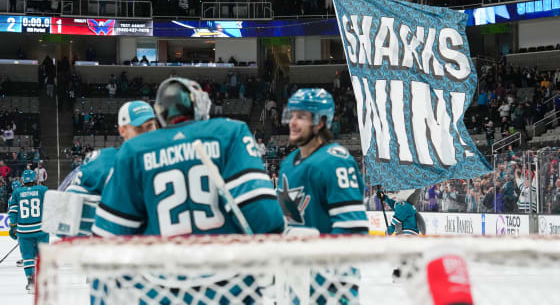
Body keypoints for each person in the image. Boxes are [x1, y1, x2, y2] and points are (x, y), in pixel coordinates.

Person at [92, 78, 284, 301]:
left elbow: (108, 239)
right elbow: (265, 217)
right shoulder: (230, 132)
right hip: (231, 285)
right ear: (198, 105)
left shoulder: (133, 150)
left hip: (160, 289)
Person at [278, 88, 368, 303]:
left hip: (330, 283)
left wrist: (325, 271)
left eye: (301, 116)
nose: (292, 122)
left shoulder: (336, 161)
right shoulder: (287, 163)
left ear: (320, 122)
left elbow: (352, 228)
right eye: (291, 115)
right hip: (295, 278)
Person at [62, 100, 158, 236]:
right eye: (138, 129)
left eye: (150, 127)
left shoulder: (166, 158)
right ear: (122, 130)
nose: (146, 134)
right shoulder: (103, 162)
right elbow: (67, 218)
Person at [8, 170, 49, 293]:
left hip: (24, 231)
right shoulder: (43, 190)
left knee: (27, 257)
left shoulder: (17, 192)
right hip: (41, 229)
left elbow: (13, 211)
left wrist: (12, 226)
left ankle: (31, 282)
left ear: (23, 180)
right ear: (34, 179)